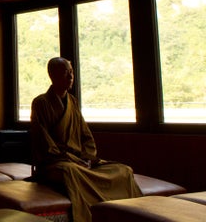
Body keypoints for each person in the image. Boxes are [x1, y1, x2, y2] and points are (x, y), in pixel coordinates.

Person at [30, 56, 142, 222]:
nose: (70, 77)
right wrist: (72, 159)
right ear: (53, 75)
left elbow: (85, 135)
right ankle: (93, 212)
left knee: (123, 170)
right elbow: (43, 141)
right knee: (71, 171)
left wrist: (87, 158)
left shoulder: (72, 102)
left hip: (80, 161)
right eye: (66, 73)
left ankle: (127, 213)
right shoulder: (41, 103)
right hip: (56, 162)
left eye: (72, 73)